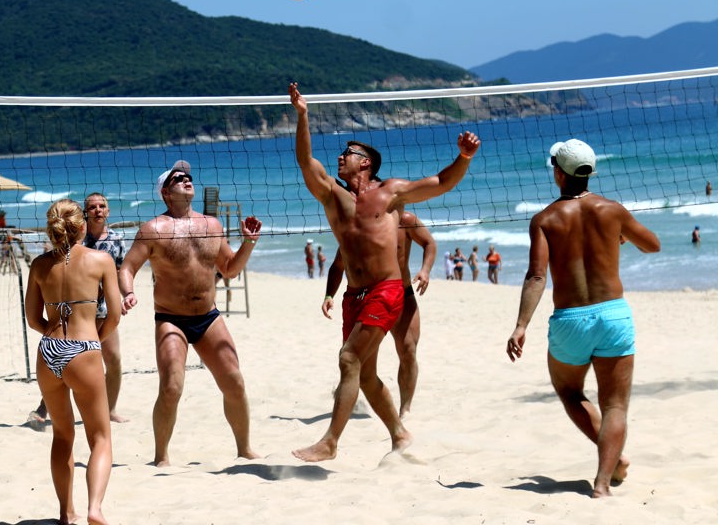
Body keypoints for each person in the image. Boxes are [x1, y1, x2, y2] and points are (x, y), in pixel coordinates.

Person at [289, 81, 480, 462]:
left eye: (349, 153)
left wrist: (463, 158)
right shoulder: (333, 195)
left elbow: (440, 183)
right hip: (353, 295)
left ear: (366, 163)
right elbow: (305, 161)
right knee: (364, 374)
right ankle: (399, 434)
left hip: (388, 289)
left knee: (348, 359)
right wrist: (303, 116)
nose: (340, 157)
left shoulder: (391, 193)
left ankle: (330, 443)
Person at [506, 139, 660, 499]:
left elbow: (536, 276)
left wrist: (521, 324)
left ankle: (616, 461)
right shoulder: (612, 210)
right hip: (613, 315)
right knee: (615, 405)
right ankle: (603, 483)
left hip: (570, 320)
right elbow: (652, 245)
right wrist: (620, 234)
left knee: (569, 391)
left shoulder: (544, 219)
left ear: (559, 172)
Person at [119, 160, 262, 467]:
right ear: (166, 192)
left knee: (234, 381)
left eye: (188, 176)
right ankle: (161, 457)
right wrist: (129, 292)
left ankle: (244, 448)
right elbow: (128, 267)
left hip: (208, 316)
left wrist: (248, 243)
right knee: (172, 385)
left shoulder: (212, 225)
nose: (186, 180)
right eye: (177, 178)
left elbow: (230, 270)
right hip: (171, 318)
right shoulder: (153, 230)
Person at [25, 198, 120, 525]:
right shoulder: (101, 259)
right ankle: (94, 508)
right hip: (84, 347)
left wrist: (53, 331)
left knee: (62, 436)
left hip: (48, 349)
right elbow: (116, 315)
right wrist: (95, 340)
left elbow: (32, 319)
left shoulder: (39, 265)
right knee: (101, 438)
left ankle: (66, 514)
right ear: (82, 227)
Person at [29, 192, 129, 429]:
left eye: (102, 206)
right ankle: (44, 409)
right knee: (70, 360)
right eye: (92, 207)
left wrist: (128, 293)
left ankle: (110, 408)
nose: (97, 210)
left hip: (101, 311)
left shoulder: (116, 241)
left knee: (112, 360)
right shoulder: (74, 240)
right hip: (75, 320)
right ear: (82, 218)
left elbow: (122, 271)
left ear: (108, 210)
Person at [323, 209, 436, 419]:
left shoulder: (406, 220)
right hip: (371, 299)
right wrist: (329, 294)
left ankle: (405, 410)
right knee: (354, 358)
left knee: (408, 350)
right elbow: (338, 266)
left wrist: (425, 270)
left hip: (403, 294)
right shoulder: (362, 226)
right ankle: (346, 397)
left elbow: (430, 243)